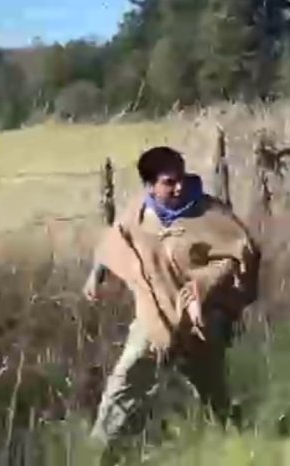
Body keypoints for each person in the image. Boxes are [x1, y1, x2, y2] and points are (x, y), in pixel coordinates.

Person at [83, 147, 259, 459]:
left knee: (210, 386)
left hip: (201, 319)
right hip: (153, 316)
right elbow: (114, 242)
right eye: (169, 182)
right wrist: (95, 276)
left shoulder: (208, 213)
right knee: (123, 383)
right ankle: (96, 454)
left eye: (181, 178)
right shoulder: (138, 214)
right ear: (150, 186)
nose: (179, 187)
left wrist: (202, 285)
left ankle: (238, 442)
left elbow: (240, 253)